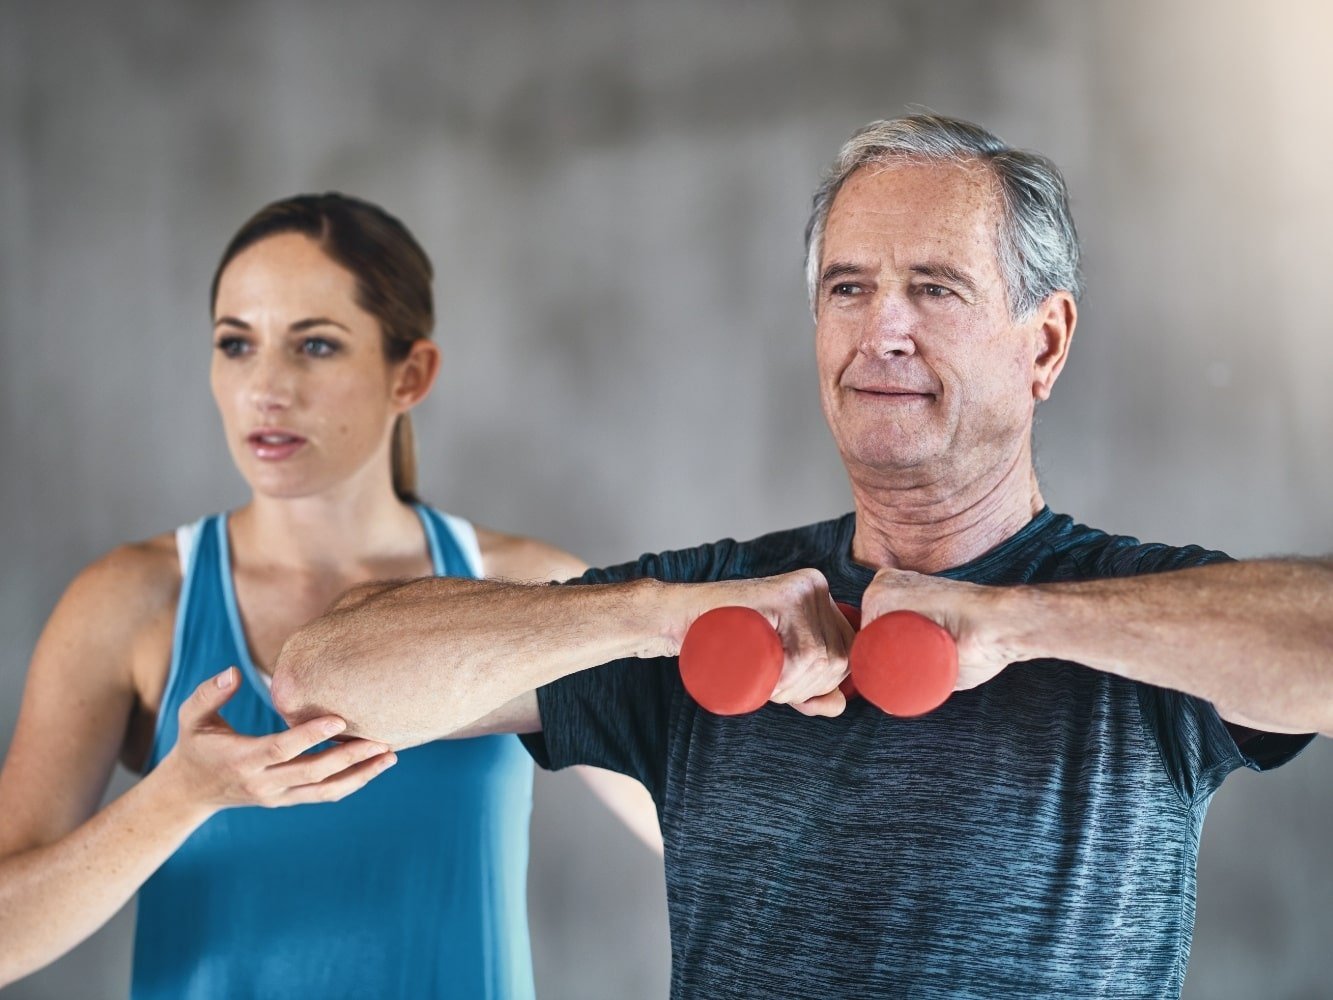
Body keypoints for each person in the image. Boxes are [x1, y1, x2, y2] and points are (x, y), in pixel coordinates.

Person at [271, 118, 1332, 999]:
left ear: (1043, 343)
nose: (882, 331)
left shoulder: (1134, 610)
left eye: (935, 287)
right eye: (847, 289)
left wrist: (1017, 621)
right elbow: (324, 678)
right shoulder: (721, 601)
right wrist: (658, 615)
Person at [0, 193, 660, 998]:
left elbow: (703, 827)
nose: (266, 388)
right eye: (236, 345)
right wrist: (178, 797)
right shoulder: (133, 602)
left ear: (409, 374)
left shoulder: (525, 588)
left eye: (314, 345)